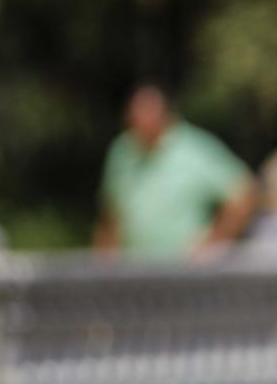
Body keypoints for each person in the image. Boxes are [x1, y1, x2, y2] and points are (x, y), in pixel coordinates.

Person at [94, 84, 256, 260]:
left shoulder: (194, 148)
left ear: (165, 114)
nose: (141, 122)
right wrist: (105, 263)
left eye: (148, 114)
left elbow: (245, 192)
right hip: (134, 273)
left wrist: (215, 242)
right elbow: (110, 214)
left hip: (185, 275)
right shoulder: (122, 151)